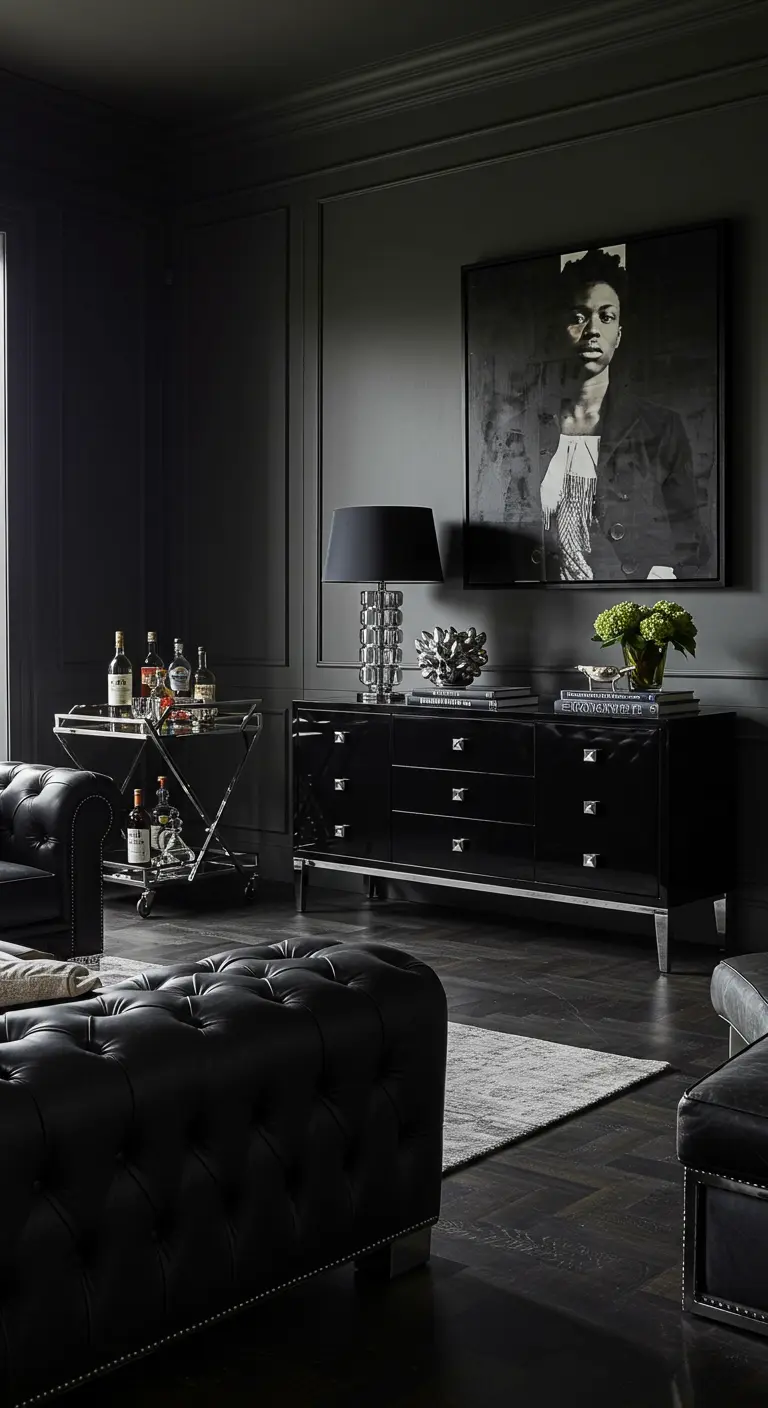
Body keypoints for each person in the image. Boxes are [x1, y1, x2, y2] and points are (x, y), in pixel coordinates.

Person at [532, 248, 708, 582]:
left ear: (619, 334)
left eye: (606, 316)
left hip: (630, 600)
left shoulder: (660, 427)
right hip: (548, 603)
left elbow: (688, 525)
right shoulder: (524, 429)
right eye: (579, 316)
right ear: (561, 329)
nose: (592, 330)